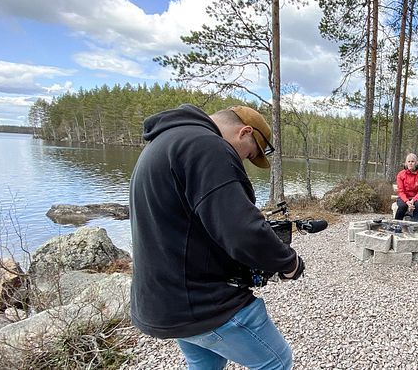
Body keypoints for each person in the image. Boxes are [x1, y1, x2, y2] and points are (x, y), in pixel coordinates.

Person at [130, 104, 304, 370]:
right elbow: (243, 232)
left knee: (205, 365)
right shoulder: (207, 146)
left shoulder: (163, 143)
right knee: (276, 361)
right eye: (248, 154)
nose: (243, 161)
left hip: (165, 300)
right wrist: (289, 264)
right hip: (203, 302)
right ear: (244, 132)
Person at [394, 153, 418, 222]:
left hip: (416, 198)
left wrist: (413, 200)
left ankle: (415, 225)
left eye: (412, 161)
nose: (410, 163)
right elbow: (400, 191)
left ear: (416, 163)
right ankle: (396, 223)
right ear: (406, 163)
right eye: (409, 161)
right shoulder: (401, 174)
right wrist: (407, 201)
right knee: (403, 206)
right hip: (403, 197)